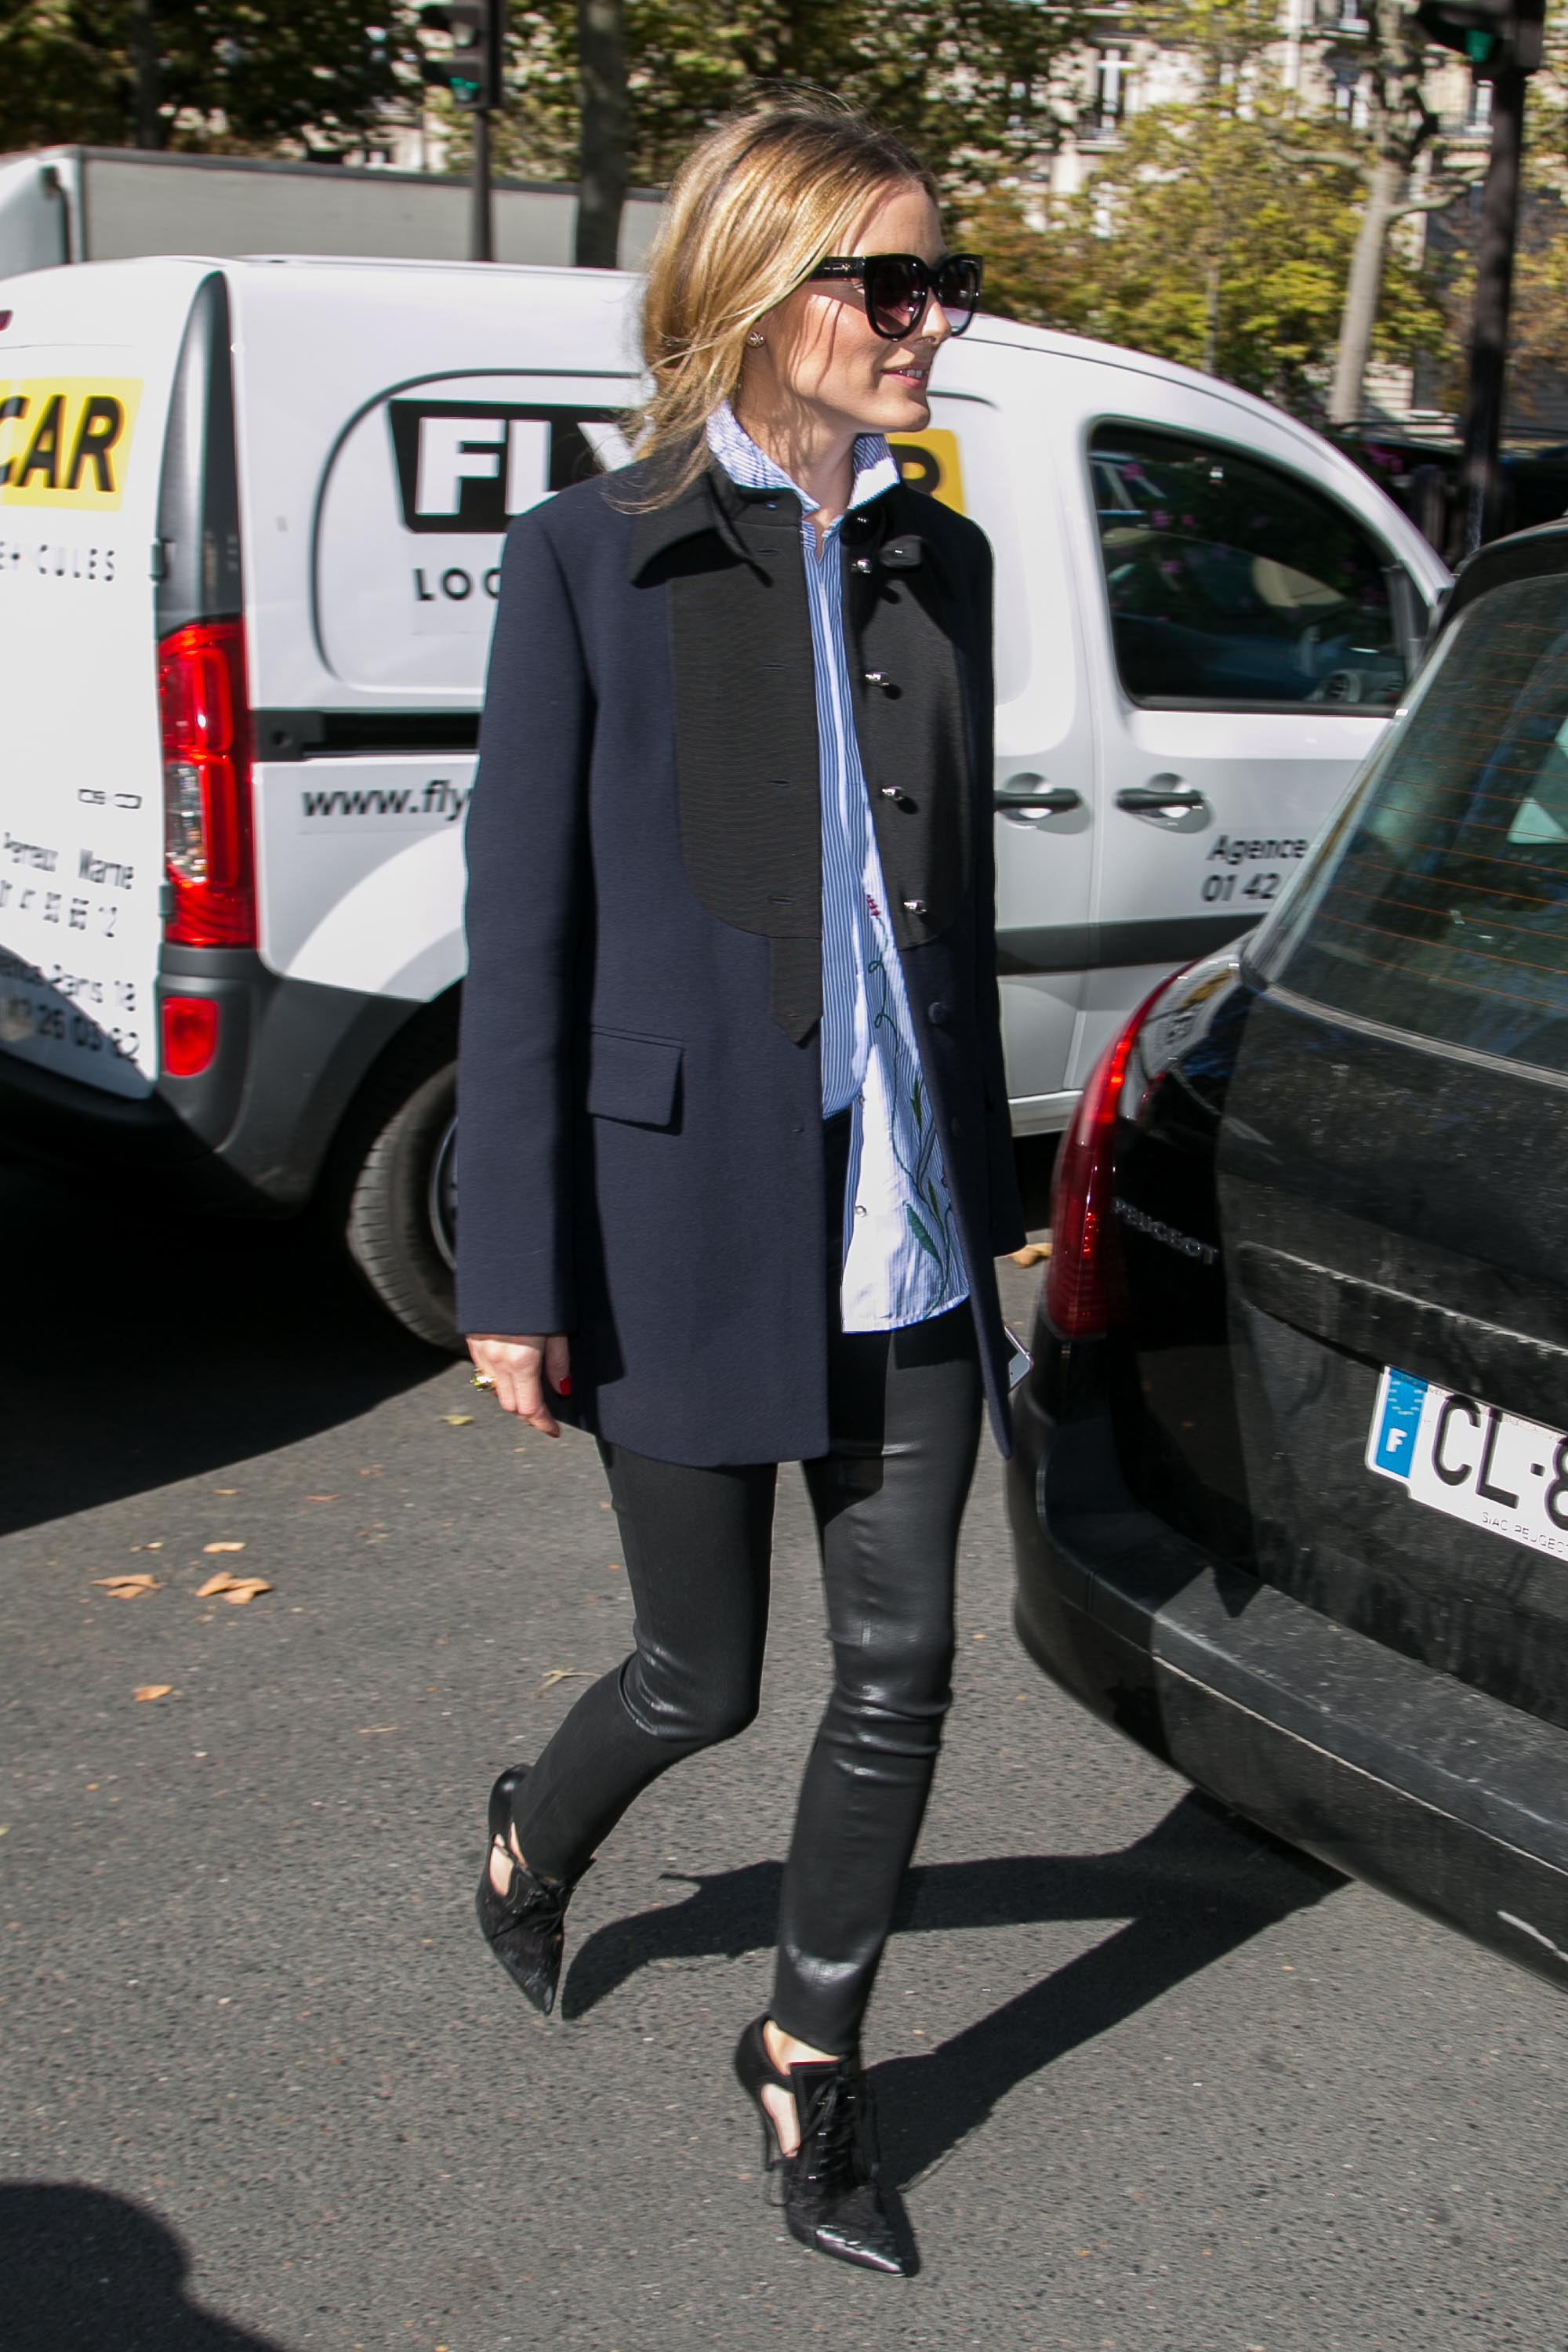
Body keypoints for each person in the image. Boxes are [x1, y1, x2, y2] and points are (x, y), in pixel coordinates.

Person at [457, 94, 1024, 2278]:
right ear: (762, 291)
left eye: (943, 283)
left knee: (904, 1668)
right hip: (682, 1218)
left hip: (904, 1218)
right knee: (705, 1675)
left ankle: (807, 2060)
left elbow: (932, 907)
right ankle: (536, 1831)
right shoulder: (595, 555)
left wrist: (983, 1191)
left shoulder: (935, 553)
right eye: (895, 285)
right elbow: (532, 937)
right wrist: (515, 1268)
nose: (933, 319)